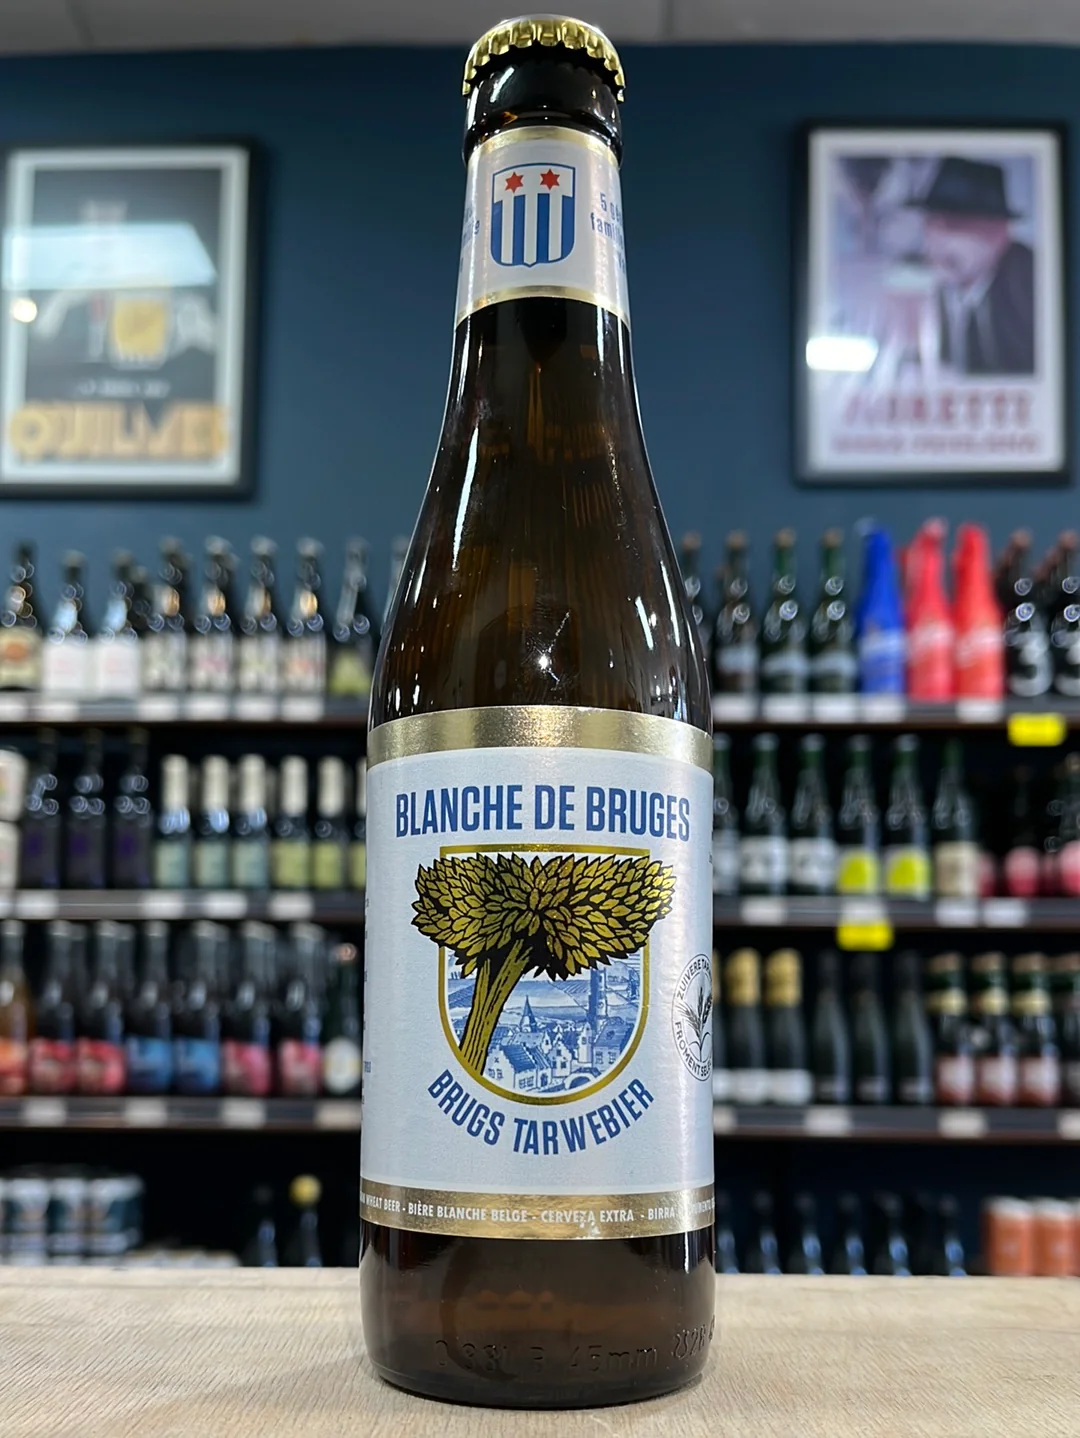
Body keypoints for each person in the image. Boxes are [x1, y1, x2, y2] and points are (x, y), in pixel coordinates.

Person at [912, 156, 1035, 376]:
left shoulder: (1032, 286)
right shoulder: (930, 290)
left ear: (999, 233)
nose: (936, 243)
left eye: (955, 226)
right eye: (931, 224)